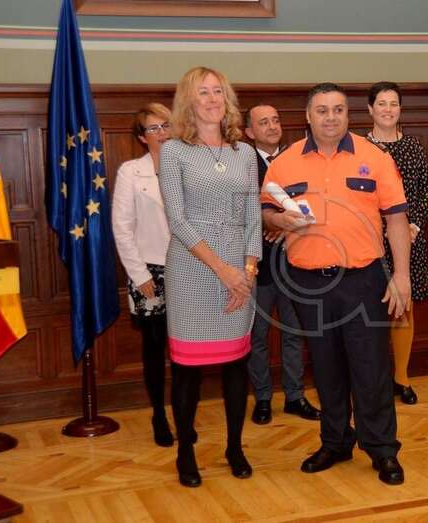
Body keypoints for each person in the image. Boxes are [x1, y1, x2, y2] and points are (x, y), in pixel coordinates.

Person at [261, 83, 412, 485]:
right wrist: (278, 220)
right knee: (325, 369)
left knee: (372, 369)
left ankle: (382, 450)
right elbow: (266, 213)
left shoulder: (374, 158)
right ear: (308, 117)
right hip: (309, 283)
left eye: (338, 110)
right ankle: (335, 442)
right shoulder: (285, 163)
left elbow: (396, 219)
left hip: (363, 281)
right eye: (322, 110)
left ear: (349, 115)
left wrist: (401, 276)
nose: (331, 117)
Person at [159, 66, 261, 488]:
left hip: (241, 271)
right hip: (192, 271)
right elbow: (178, 220)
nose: (212, 98)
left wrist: (248, 272)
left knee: (237, 367)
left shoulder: (244, 153)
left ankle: (234, 446)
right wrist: (224, 270)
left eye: (219, 91)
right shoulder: (173, 151)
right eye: (203, 92)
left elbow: (254, 213)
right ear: (189, 100)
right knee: (187, 372)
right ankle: (186, 452)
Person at [243, 103, 321, 425]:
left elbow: (314, 202)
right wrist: (270, 224)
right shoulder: (242, 164)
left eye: (276, 120)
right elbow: (239, 209)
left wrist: (288, 227)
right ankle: (262, 398)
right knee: (257, 336)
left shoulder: (297, 160)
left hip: (295, 262)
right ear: (249, 132)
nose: (273, 126)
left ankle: (294, 396)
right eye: (264, 122)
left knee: (293, 332)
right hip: (257, 264)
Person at [366, 81, 428, 405]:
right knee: (372, 312)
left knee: (403, 309)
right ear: (370, 109)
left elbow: (425, 192)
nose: (388, 109)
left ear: (400, 110)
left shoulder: (414, 148)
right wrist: (381, 230)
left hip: (410, 241)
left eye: (394, 104)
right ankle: (373, 381)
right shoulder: (359, 149)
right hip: (368, 243)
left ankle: (402, 379)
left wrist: (412, 227)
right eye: (382, 103)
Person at [112, 103, 174, 447]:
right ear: (141, 137)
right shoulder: (131, 172)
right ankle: (159, 415)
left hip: (190, 268)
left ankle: (182, 411)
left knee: (186, 347)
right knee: (154, 346)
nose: (163, 133)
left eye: (167, 126)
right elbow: (122, 228)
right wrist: (139, 276)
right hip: (149, 270)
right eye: (154, 129)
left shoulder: (190, 167)